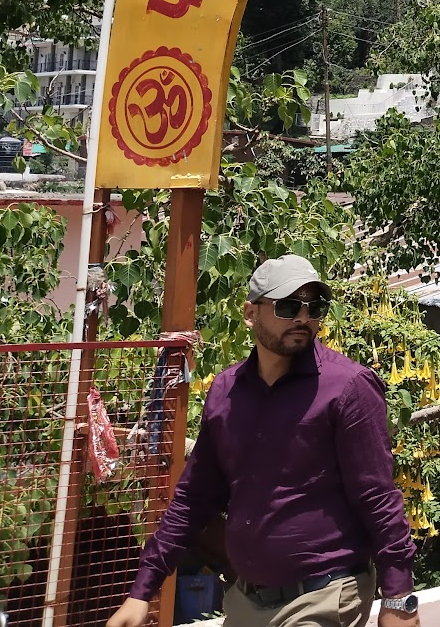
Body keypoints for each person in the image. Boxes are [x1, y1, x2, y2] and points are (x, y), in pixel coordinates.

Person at [107, 255, 420, 627]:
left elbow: (378, 496)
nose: (304, 318)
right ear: (250, 313)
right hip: (245, 601)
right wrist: (142, 590)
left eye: (314, 307)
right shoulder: (225, 392)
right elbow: (195, 497)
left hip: (323, 595)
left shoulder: (348, 387)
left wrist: (399, 598)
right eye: (288, 306)